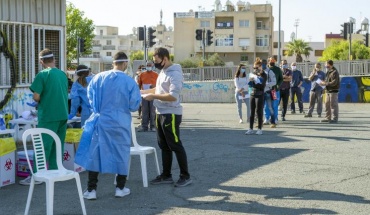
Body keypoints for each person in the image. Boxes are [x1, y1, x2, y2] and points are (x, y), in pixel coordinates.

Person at [75, 51, 141, 199]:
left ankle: (91, 190)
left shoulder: (98, 78)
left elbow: (91, 100)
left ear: (113, 62)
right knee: (121, 153)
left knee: (95, 154)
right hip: (121, 123)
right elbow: (134, 106)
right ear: (124, 64)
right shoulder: (130, 81)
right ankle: (120, 188)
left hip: (101, 122)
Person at [141, 47, 192, 187]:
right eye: (154, 61)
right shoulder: (163, 72)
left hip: (171, 114)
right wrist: (141, 91)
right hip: (160, 112)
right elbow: (158, 90)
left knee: (175, 145)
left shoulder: (175, 74)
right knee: (163, 146)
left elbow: (173, 96)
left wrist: (153, 96)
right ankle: (166, 175)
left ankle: (185, 176)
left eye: (157, 61)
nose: (155, 64)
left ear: (165, 58)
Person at [20, 49, 68, 185]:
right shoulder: (62, 74)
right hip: (63, 114)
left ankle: (37, 175)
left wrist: (38, 100)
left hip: (48, 115)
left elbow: (36, 96)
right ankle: (56, 172)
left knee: (42, 146)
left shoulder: (42, 75)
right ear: (54, 59)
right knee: (57, 145)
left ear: (41, 62)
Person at [245, 58, 267, 135]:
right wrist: (251, 81)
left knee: (259, 111)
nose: (255, 69)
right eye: (254, 68)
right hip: (252, 94)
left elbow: (262, 86)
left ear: (260, 67)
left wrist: (255, 81)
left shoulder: (264, 75)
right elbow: (250, 84)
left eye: (257, 68)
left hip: (260, 94)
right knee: (252, 112)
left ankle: (259, 128)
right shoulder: (253, 74)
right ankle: (250, 128)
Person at [137, 61, 159, 132]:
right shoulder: (142, 75)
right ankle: (144, 126)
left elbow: (159, 86)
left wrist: (154, 86)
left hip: (153, 95)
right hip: (144, 95)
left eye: (150, 65)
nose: (148, 66)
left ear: (152, 66)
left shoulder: (156, 75)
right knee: (144, 111)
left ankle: (153, 126)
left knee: (152, 111)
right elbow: (139, 85)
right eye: (147, 65)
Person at [264, 57, 283, 124]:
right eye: (270, 60)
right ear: (268, 61)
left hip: (275, 91)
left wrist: (277, 85)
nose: (271, 61)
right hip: (266, 91)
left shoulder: (278, 69)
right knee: (266, 105)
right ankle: (266, 118)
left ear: (275, 61)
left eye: (273, 60)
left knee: (274, 105)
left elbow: (281, 79)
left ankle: (275, 119)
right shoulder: (265, 70)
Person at [262, 59, 277, 128]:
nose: (263, 65)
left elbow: (274, 82)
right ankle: (260, 122)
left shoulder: (270, 72)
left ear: (267, 63)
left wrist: (266, 84)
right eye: (262, 63)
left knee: (270, 107)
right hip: (260, 92)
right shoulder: (259, 71)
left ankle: (273, 122)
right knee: (260, 108)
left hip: (268, 92)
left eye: (264, 63)